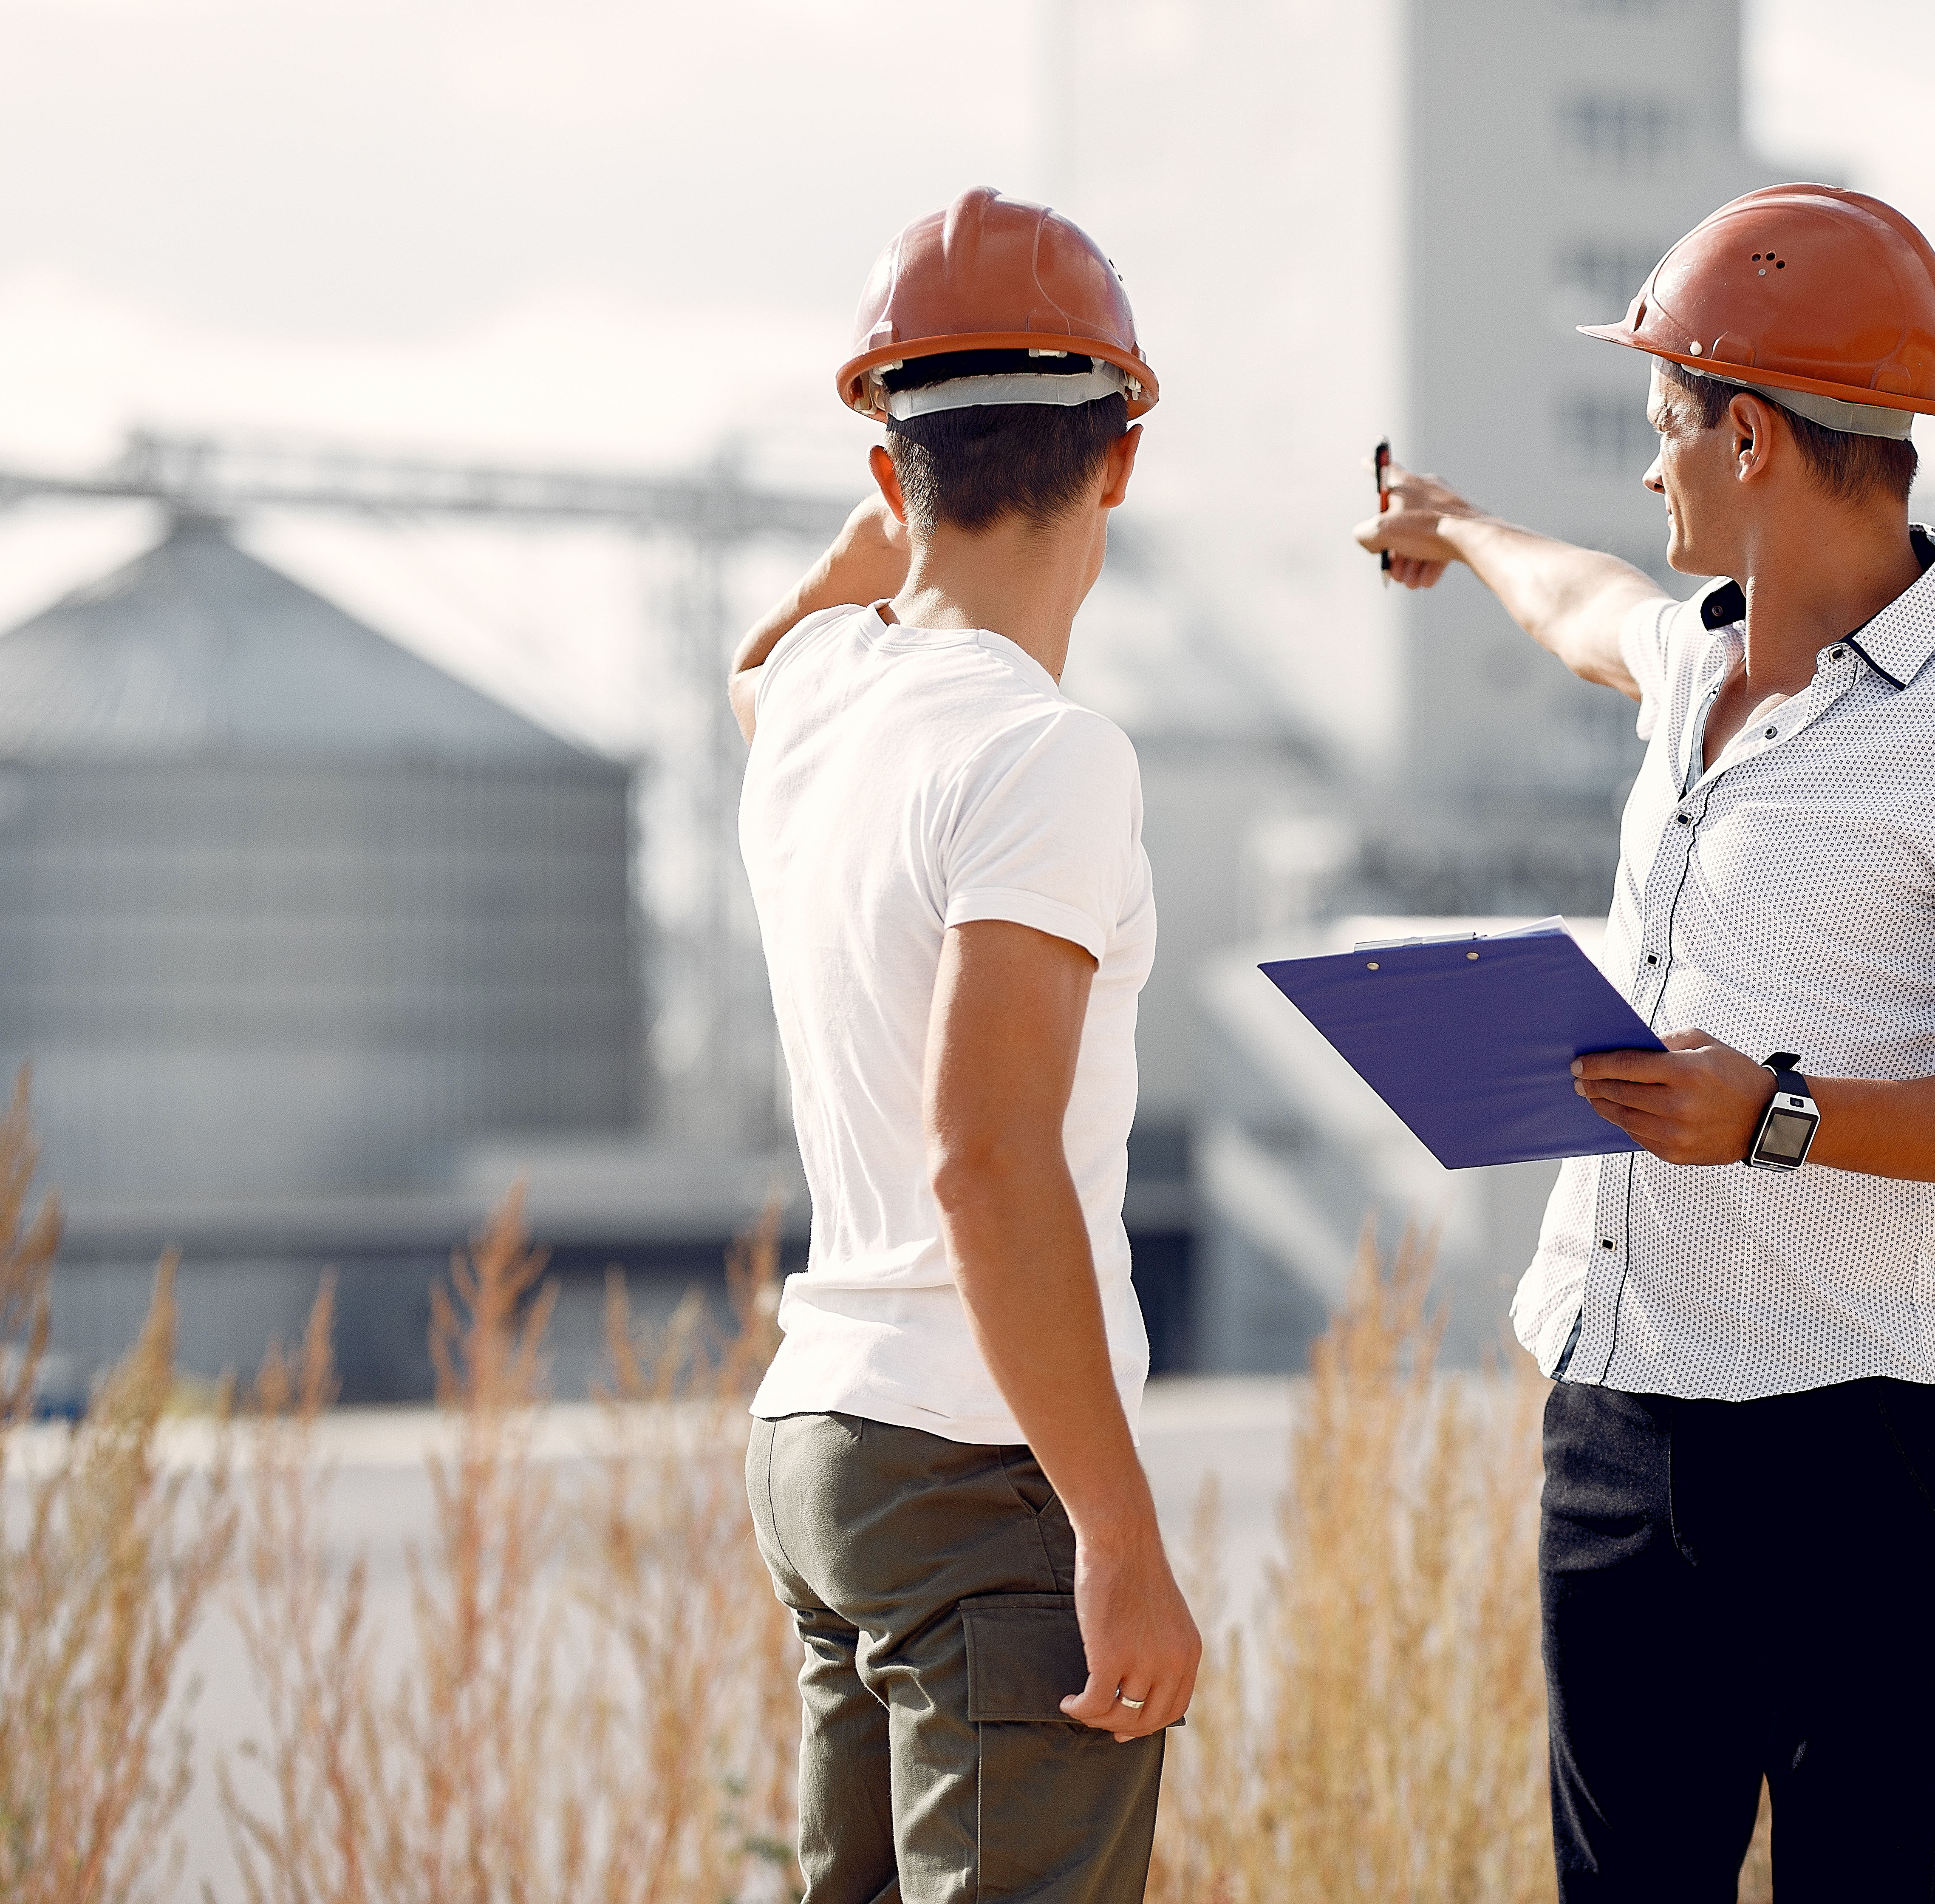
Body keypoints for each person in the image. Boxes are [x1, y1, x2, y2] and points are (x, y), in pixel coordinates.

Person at [1355, 184, 1935, 1901]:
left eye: (1667, 429)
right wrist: (1455, 527)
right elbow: (1576, 606)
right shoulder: (1697, 654)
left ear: (1757, 435)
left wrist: (1769, 1116)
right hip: (1613, 1419)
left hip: (1855, 1450)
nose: (1652, 474)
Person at [727, 186, 1198, 1904]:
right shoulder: (1045, 755)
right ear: (1120, 460)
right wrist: (1122, 1534)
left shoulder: (815, 712)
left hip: (825, 1447)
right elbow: (987, 1160)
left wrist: (878, 559)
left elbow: (757, 661)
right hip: (976, 1463)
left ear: (885, 469)